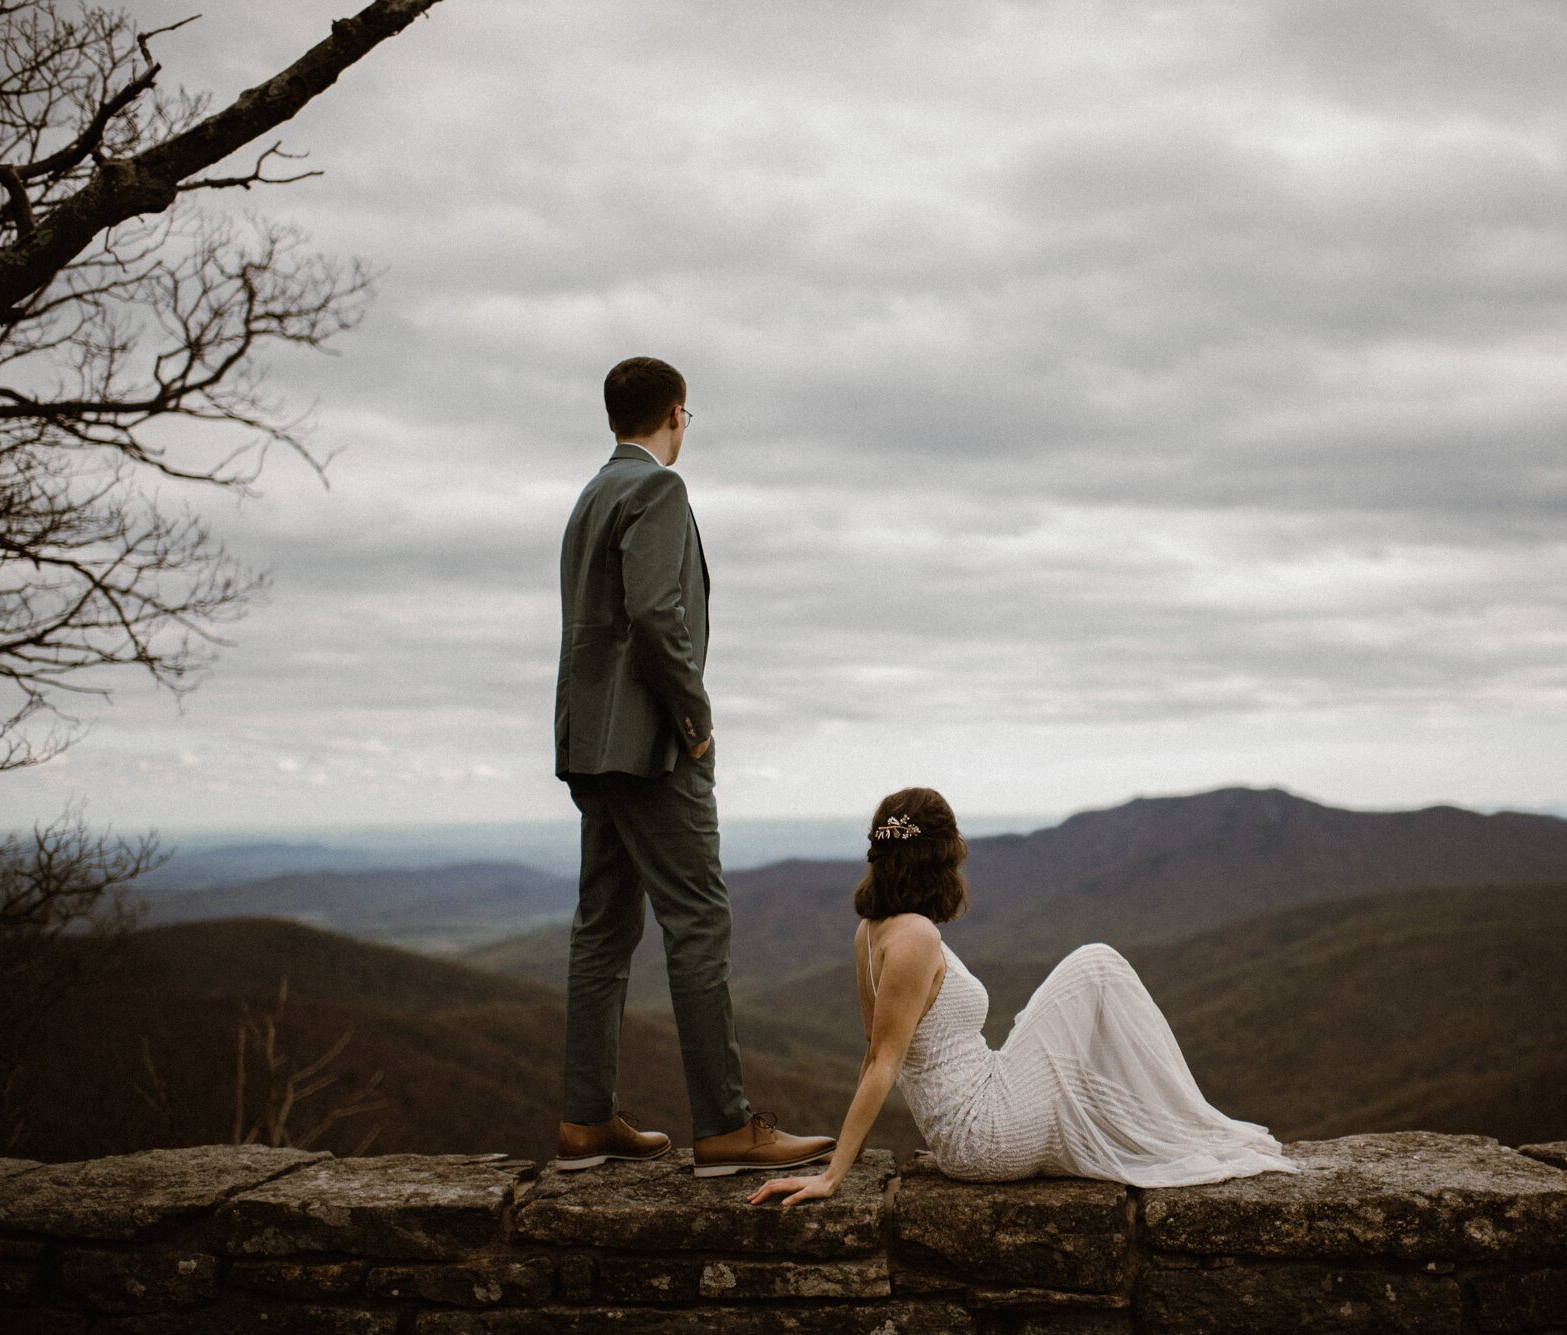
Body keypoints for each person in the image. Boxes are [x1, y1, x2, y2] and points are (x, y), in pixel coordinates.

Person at [553, 356, 835, 1178]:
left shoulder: (589, 497)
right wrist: (695, 718)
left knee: (601, 932)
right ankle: (724, 1126)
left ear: (613, 416)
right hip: (649, 746)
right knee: (699, 923)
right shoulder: (658, 490)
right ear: (677, 412)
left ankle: (583, 1121)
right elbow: (652, 613)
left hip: (589, 745)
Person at [747, 787, 1294, 1205]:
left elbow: (874, 1049)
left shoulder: (871, 930)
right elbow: (884, 1064)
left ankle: (1179, 1125)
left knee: (1063, 996)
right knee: (1096, 964)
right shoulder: (915, 936)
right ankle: (1187, 1123)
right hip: (983, 1131)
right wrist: (834, 1175)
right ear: (938, 858)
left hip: (968, 1126)